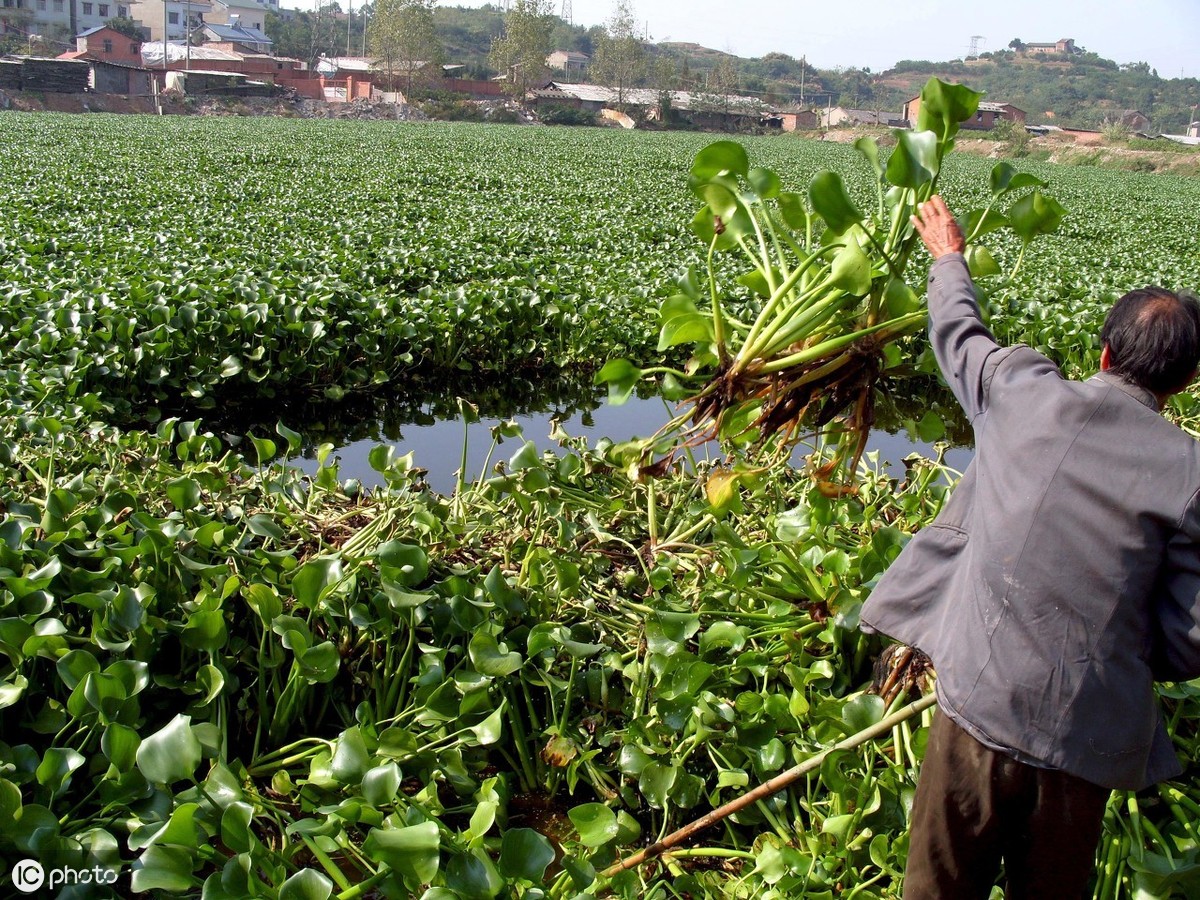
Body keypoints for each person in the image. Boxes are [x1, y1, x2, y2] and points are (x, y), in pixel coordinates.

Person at [859, 195, 1200, 899]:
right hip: (1086, 741)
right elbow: (1189, 640)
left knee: (937, 891)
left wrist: (949, 258)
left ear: (1103, 352)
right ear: (1185, 382)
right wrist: (1116, 651)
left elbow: (958, 332)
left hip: (979, 707)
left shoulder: (1020, 391)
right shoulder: (1191, 477)